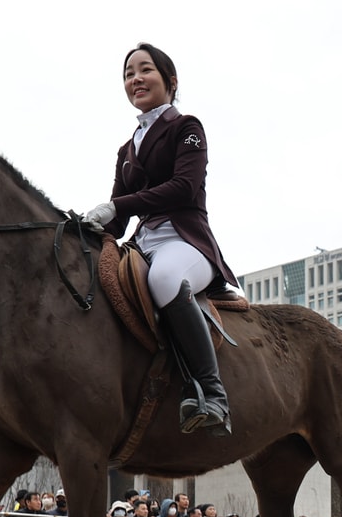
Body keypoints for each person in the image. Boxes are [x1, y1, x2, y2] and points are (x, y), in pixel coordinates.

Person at [86, 42, 239, 436]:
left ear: (170, 81)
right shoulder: (127, 149)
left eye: (145, 70)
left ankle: (212, 392)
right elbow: (118, 221)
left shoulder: (186, 128)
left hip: (187, 242)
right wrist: (87, 229)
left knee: (165, 278)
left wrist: (116, 205)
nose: (135, 79)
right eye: (128, 74)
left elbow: (184, 187)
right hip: (144, 245)